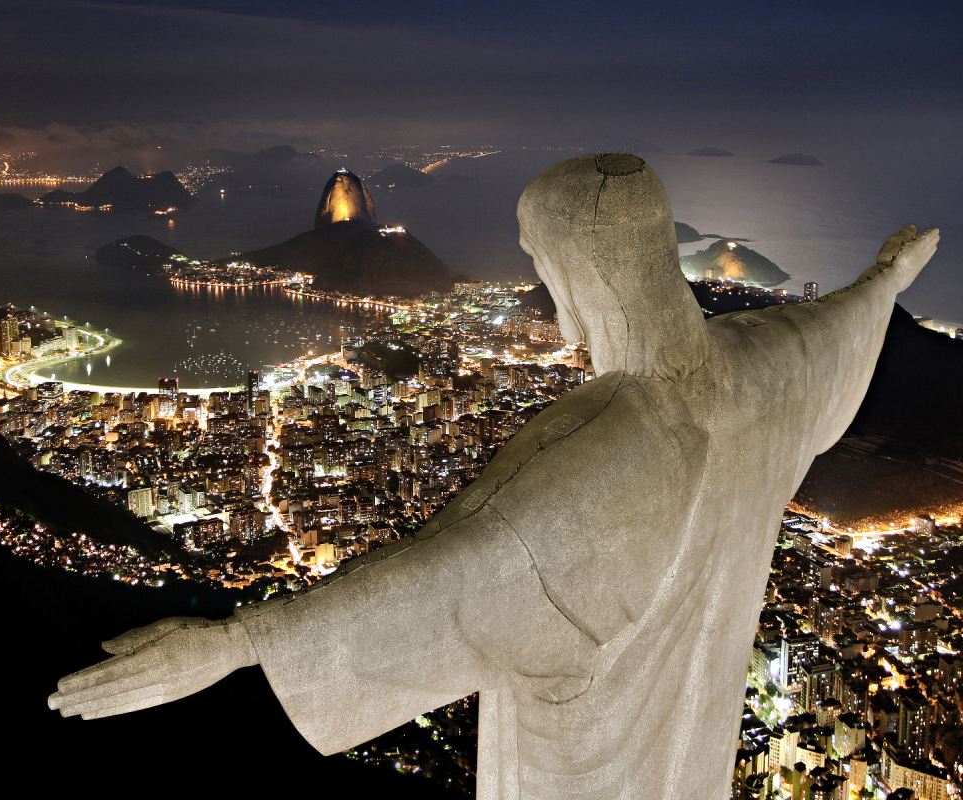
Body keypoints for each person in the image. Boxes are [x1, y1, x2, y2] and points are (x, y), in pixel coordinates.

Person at [48, 153, 939, 799]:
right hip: (699, 768)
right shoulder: (767, 365)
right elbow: (844, 326)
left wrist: (239, 642)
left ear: (572, 273)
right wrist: (888, 276)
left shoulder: (598, 449)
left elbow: (452, 573)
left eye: (539, 263)